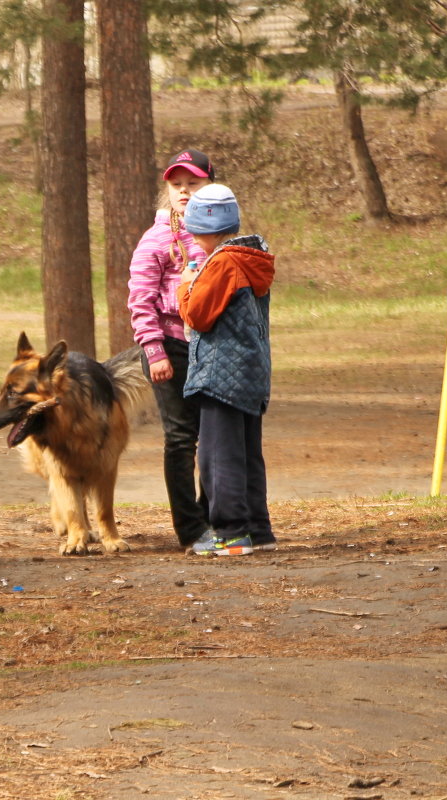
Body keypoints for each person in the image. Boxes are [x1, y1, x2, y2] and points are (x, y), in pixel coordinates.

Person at [176, 184, 276, 556]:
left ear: (201, 226)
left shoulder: (222, 263)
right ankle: (257, 530)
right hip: (250, 370)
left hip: (220, 373)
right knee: (246, 450)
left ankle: (232, 533)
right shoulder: (250, 256)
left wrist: (185, 286)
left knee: (217, 455)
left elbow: (198, 315)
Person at [126, 148, 214, 550]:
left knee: (215, 434)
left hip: (212, 347)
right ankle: (191, 529)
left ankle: (215, 517)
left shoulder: (219, 235)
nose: (183, 191)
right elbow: (140, 299)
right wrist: (155, 351)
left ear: (210, 186)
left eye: (193, 184)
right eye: (177, 185)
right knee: (181, 437)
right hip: (170, 348)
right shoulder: (158, 237)